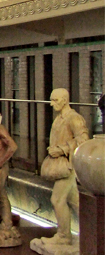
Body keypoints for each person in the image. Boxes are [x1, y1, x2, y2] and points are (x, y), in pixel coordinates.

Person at [36, 88, 89, 246]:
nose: (52, 104)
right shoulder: (60, 118)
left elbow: (84, 139)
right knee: (75, 201)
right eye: (51, 100)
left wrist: (62, 149)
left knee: (57, 199)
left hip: (68, 166)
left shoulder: (74, 118)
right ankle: (91, 234)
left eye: (55, 100)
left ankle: (64, 236)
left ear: (65, 100)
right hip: (63, 165)